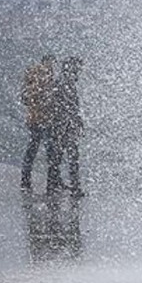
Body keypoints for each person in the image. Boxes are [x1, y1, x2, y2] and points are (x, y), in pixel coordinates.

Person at [48, 56, 85, 197]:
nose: (79, 73)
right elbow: (70, 107)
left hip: (61, 126)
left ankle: (53, 184)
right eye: (77, 69)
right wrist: (76, 122)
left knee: (58, 156)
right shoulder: (66, 84)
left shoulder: (61, 82)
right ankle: (73, 187)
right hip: (65, 126)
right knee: (71, 157)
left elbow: (61, 105)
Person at [20, 54, 56, 191]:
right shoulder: (45, 77)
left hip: (33, 118)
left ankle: (25, 181)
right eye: (52, 64)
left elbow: (24, 98)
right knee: (51, 152)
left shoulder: (31, 78)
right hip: (45, 119)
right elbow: (49, 99)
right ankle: (51, 183)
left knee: (32, 149)